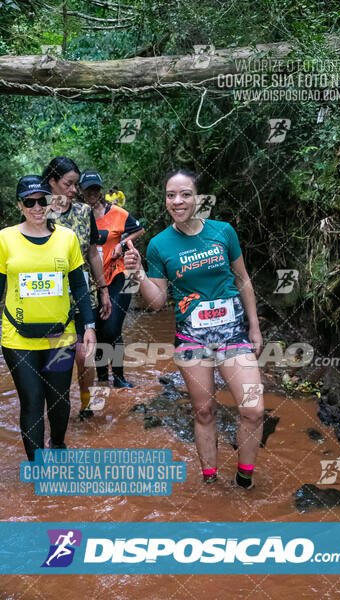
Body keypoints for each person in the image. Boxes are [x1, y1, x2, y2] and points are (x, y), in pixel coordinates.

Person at [124, 169, 264, 488]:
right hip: (191, 336)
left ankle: (244, 479)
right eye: (171, 195)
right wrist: (140, 273)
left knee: (253, 409)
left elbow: (243, 279)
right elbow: (157, 302)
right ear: (165, 200)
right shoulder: (159, 245)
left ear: (198, 198)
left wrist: (254, 327)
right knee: (204, 410)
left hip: (232, 331)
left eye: (185, 194)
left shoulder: (223, 232)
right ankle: (211, 483)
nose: (178, 201)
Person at [0, 175, 96, 461]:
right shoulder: (4, 239)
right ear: (20, 205)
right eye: (30, 202)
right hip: (17, 337)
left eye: (43, 200)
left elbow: (79, 285)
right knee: (31, 400)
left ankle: (58, 444)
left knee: (59, 398)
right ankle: (38, 466)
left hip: (61, 335)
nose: (37, 207)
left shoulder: (66, 238)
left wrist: (88, 326)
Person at [42, 157, 112, 418]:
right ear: (52, 182)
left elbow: (93, 253)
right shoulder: (39, 211)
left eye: (76, 185)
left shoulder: (83, 212)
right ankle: (57, 411)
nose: (73, 190)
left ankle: (86, 404)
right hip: (49, 297)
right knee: (58, 357)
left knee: (85, 354)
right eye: (68, 184)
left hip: (83, 294)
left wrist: (103, 289)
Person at [80, 169, 144, 387]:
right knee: (97, 329)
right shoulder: (78, 215)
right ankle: (102, 378)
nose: (91, 194)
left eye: (95, 189)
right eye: (87, 190)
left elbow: (139, 228)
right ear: (80, 190)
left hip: (118, 276)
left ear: (100, 191)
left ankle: (119, 377)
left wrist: (122, 243)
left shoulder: (116, 212)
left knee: (112, 328)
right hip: (91, 282)